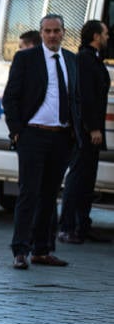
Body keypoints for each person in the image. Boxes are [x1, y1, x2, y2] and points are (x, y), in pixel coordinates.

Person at [2, 14, 79, 270]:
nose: (52, 35)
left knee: (49, 196)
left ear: (63, 32)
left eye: (57, 31)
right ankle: (20, 251)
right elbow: (10, 96)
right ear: (41, 33)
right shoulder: (26, 58)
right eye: (47, 31)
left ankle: (42, 250)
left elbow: (75, 97)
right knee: (29, 194)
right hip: (33, 135)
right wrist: (16, 132)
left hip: (60, 137)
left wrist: (75, 132)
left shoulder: (70, 59)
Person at [58, 20, 112, 244]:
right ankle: (67, 227)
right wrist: (93, 128)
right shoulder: (84, 60)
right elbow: (85, 97)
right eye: (105, 33)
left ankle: (82, 225)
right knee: (77, 177)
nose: (108, 37)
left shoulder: (93, 59)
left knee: (87, 179)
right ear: (96, 36)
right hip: (85, 131)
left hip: (91, 132)